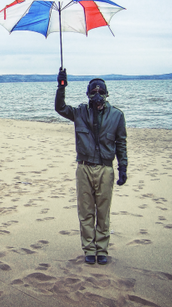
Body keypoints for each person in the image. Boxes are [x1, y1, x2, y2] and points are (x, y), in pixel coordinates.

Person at [55, 68, 127, 265]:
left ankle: (101, 250)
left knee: (103, 212)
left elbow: (121, 143)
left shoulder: (117, 116)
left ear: (106, 94)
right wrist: (62, 86)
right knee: (86, 212)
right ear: (88, 94)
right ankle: (89, 249)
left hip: (105, 169)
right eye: (93, 92)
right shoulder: (79, 113)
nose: (97, 96)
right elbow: (60, 108)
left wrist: (123, 168)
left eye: (100, 92)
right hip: (84, 168)